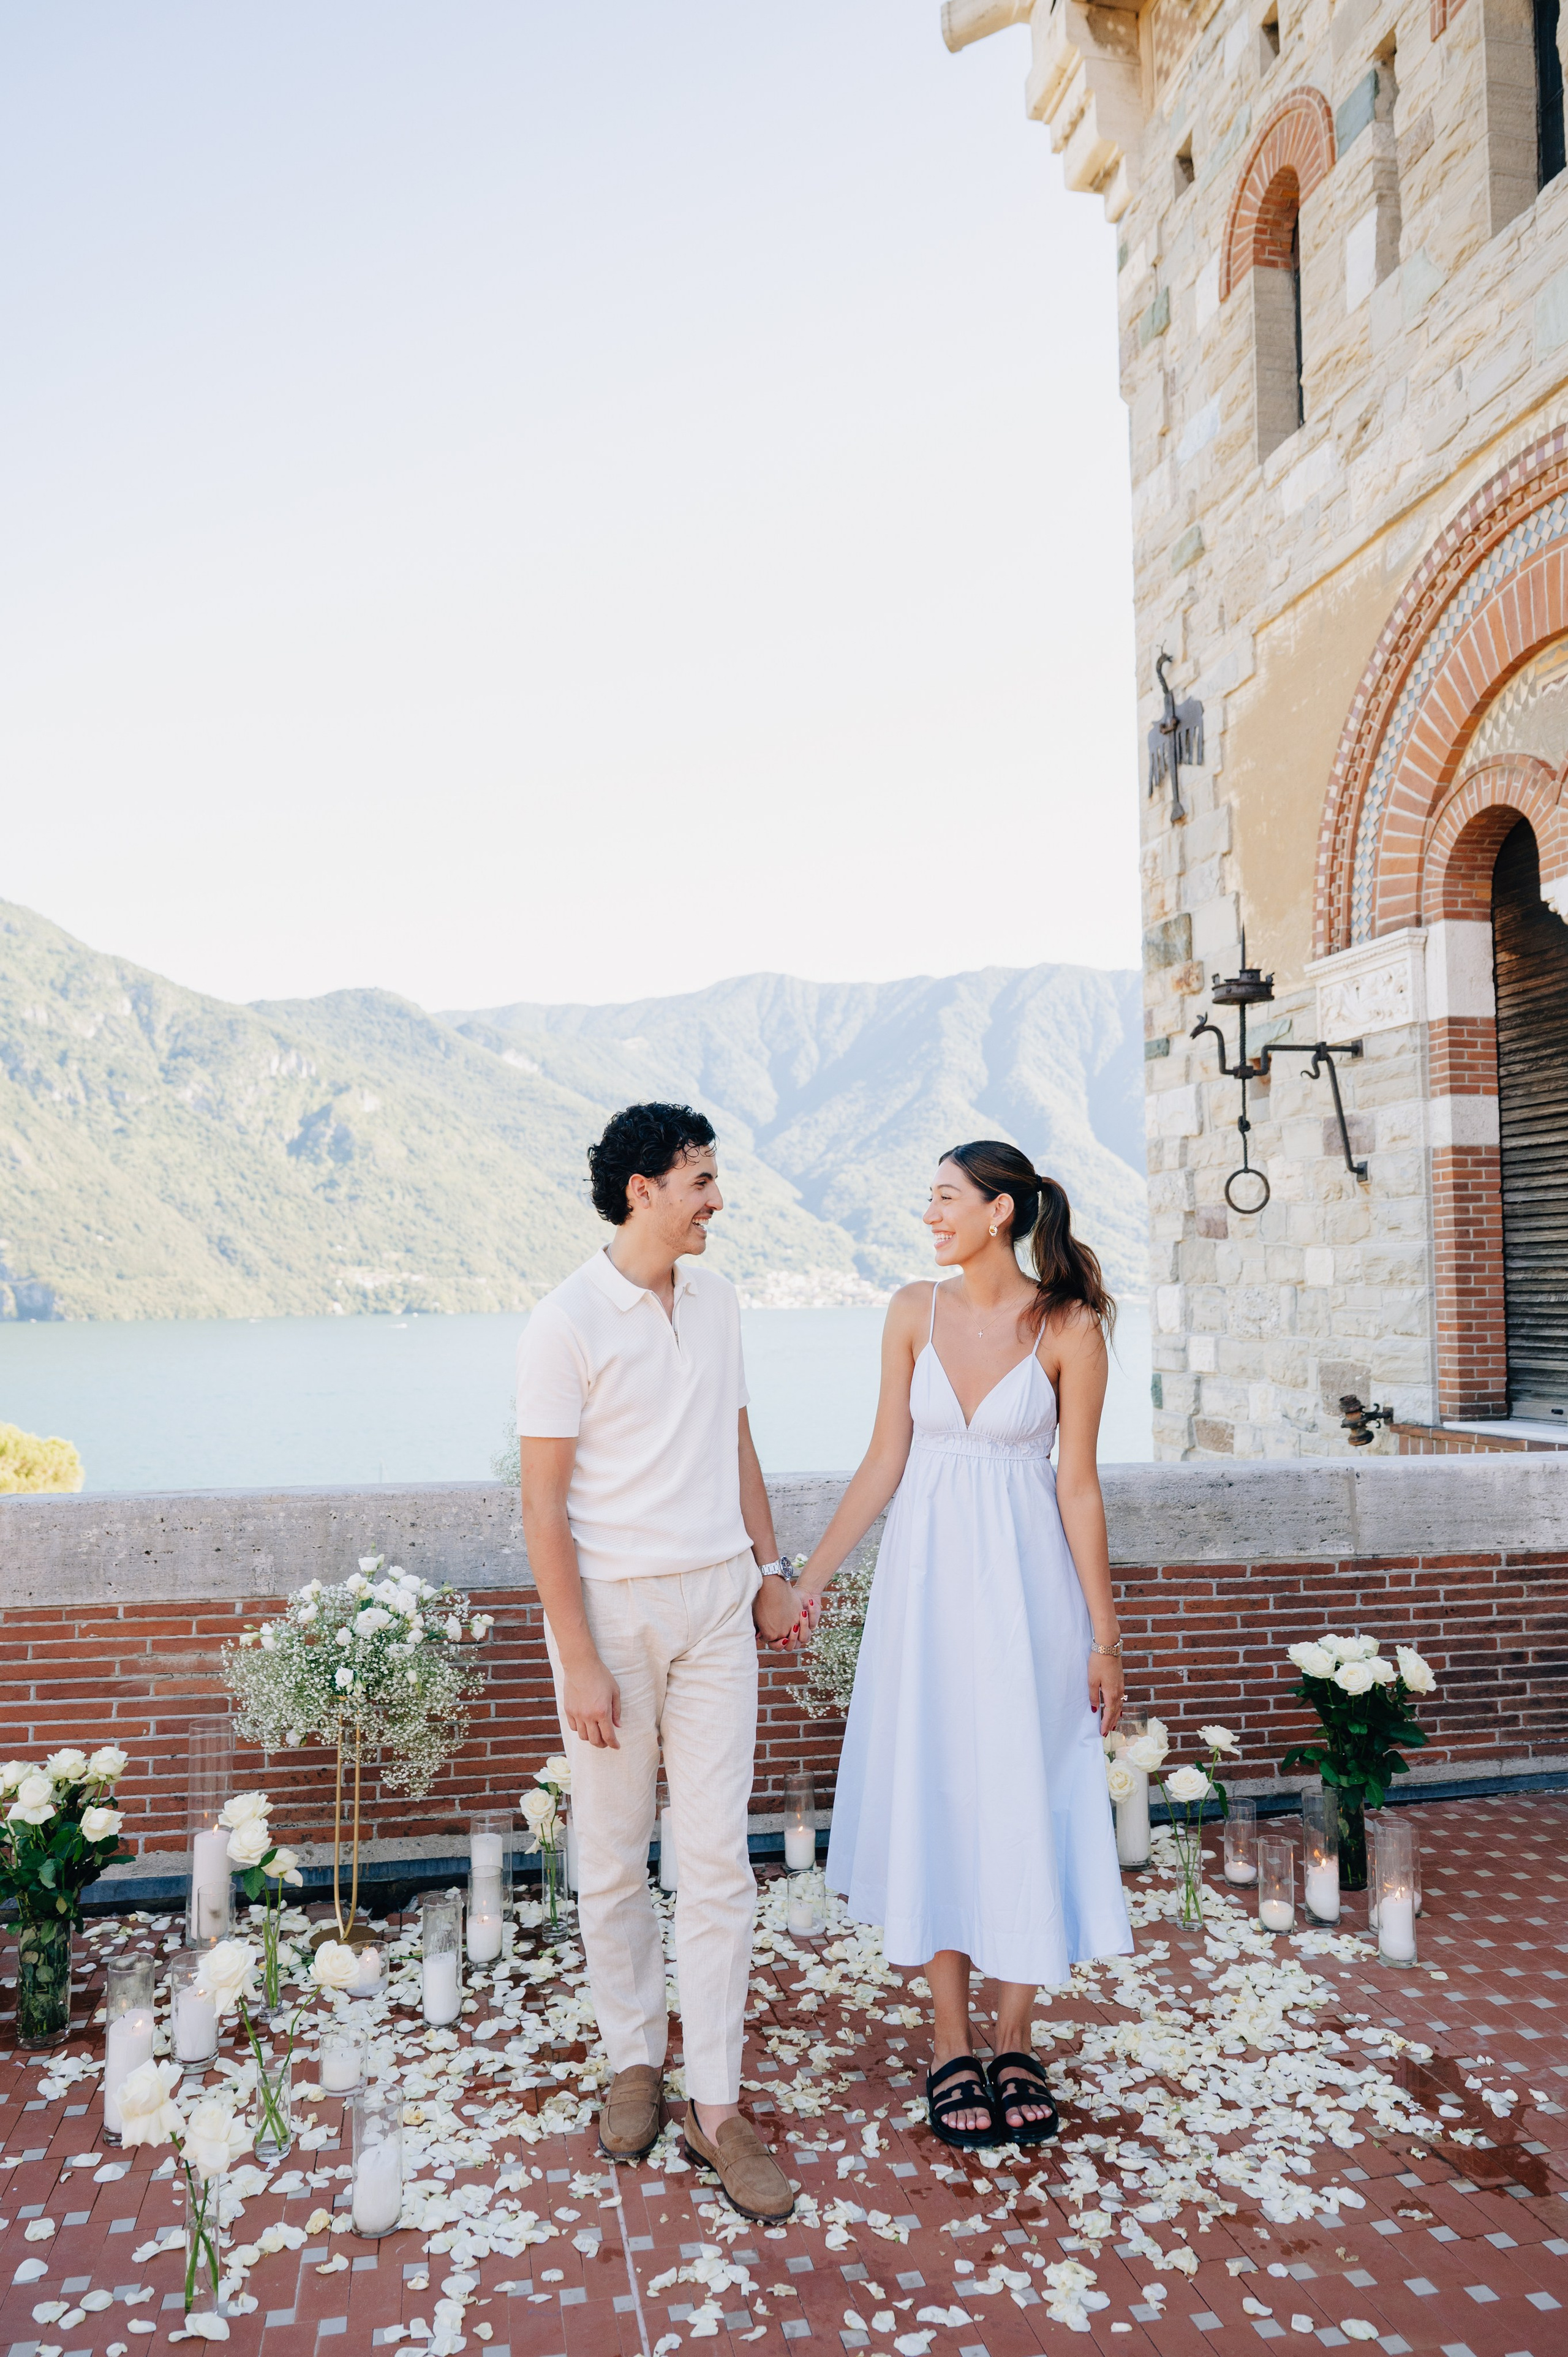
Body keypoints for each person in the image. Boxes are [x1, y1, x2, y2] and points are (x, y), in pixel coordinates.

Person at [787, 1141, 1132, 2150]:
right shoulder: (910, 1312)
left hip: (1032, 1598)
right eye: (928, 1198)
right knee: (938, 1786)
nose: (929, 1215)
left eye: (944, 1199)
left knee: (1027, 1785)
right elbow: (886, 1457)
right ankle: (949, 2041)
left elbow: (1079, 1487)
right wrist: (808, 1582)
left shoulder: (1070, 1326)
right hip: (926, 1595)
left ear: (999, 1212)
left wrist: (1106, 1638)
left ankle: (1014, 2034)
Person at [515, 1101, 805, 2219]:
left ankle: (717, 2104)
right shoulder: (564, 1322)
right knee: (611, 1854)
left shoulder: (722, 1300)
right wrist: (577, 1656)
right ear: (642, 1187)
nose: (717, 1200)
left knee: (718, 1856)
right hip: (614, 1617)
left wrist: (772, 1567)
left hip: (720, 1605)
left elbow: (736, 1441)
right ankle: (634, 2062)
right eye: (700, 1180)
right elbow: (542, 1508)